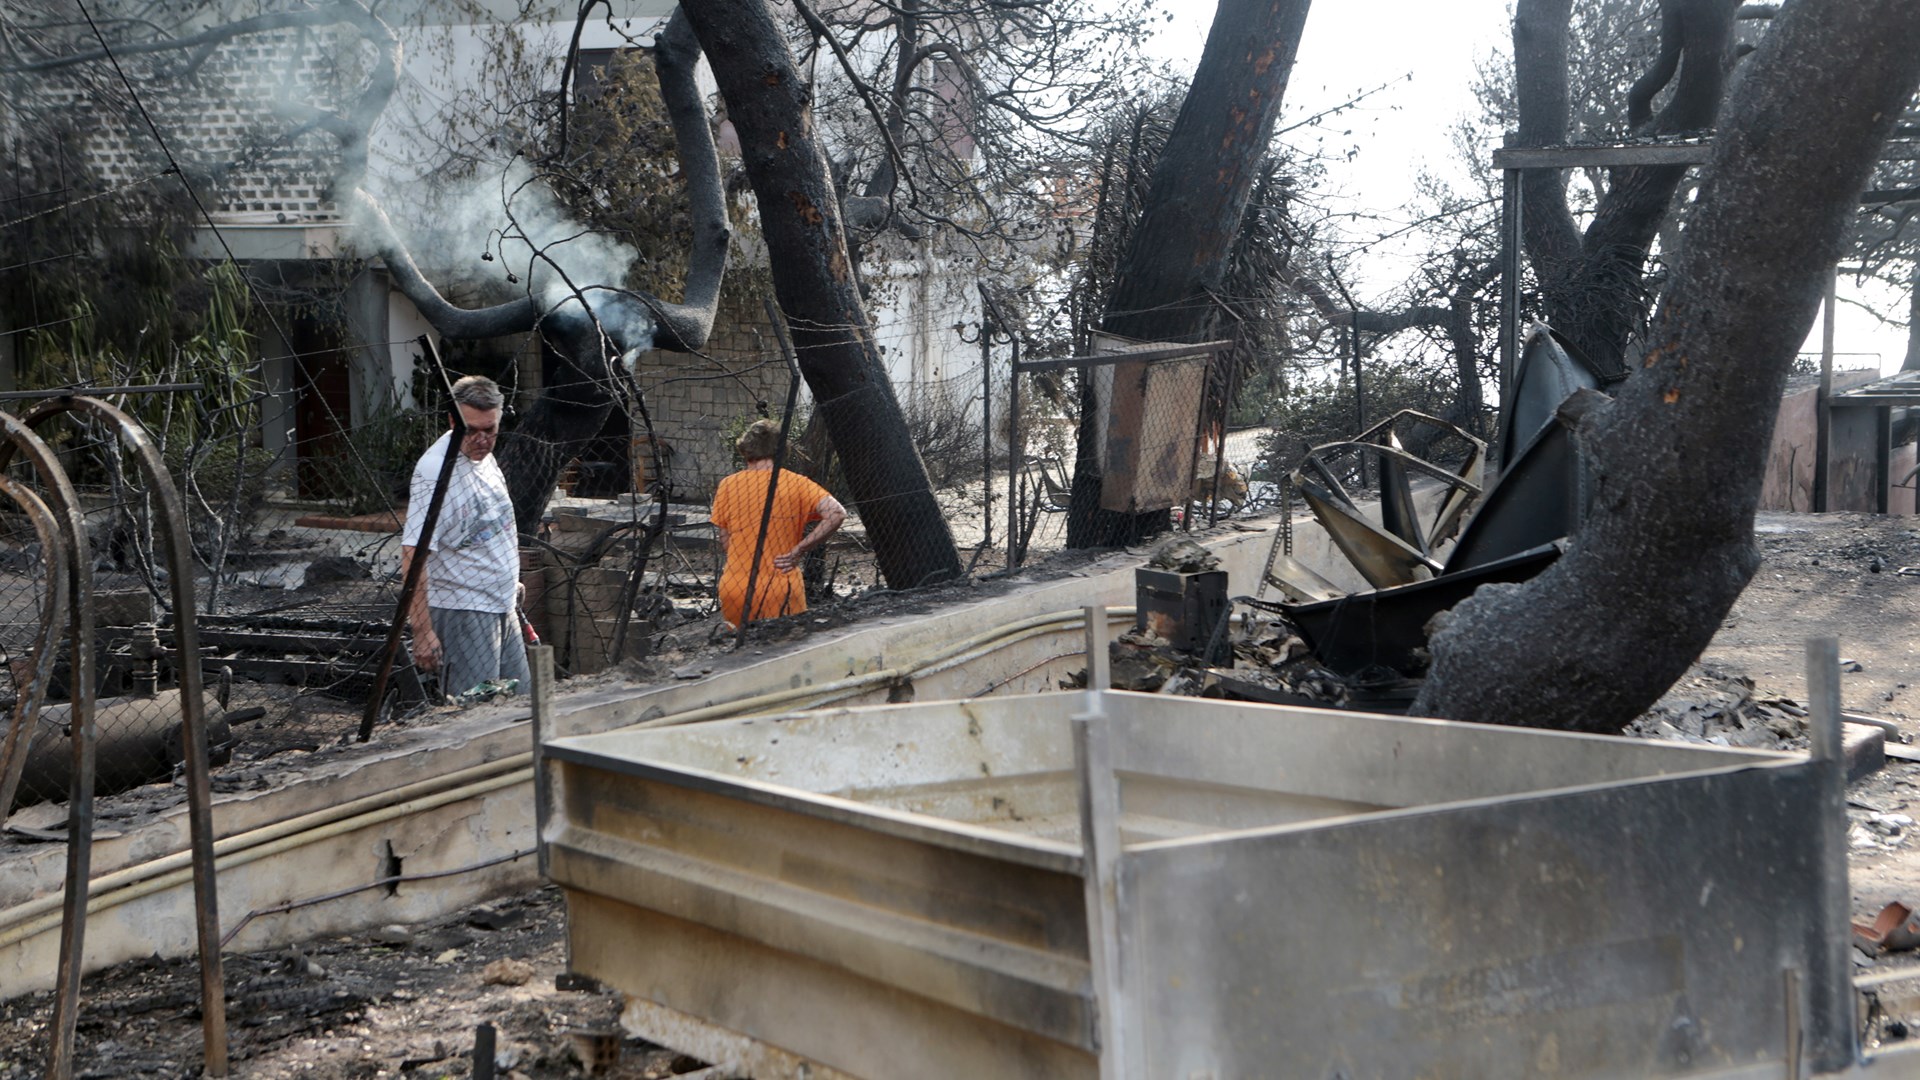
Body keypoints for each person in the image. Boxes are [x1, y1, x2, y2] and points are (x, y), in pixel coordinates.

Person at [401, 375, 529, 699]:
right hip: (463, 611)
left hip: (501, 604)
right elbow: (413, 554)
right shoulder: (435, 470)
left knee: (522, 705)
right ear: (452, 420)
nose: (482, 440)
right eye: (472, 430)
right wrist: (422, 630)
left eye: (490, 430)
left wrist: (507, 580)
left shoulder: (485, 457)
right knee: (476, 712)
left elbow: (491, 523)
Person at [710, 418, 846, 627]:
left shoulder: (728, 485)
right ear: (781, 450)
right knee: (783, 652)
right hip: (780, 588)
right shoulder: (797, 483)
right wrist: (799, 549)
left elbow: (726, 541)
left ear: (745, 449)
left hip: (736, 588)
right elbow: (836, 513)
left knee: (742, 654)